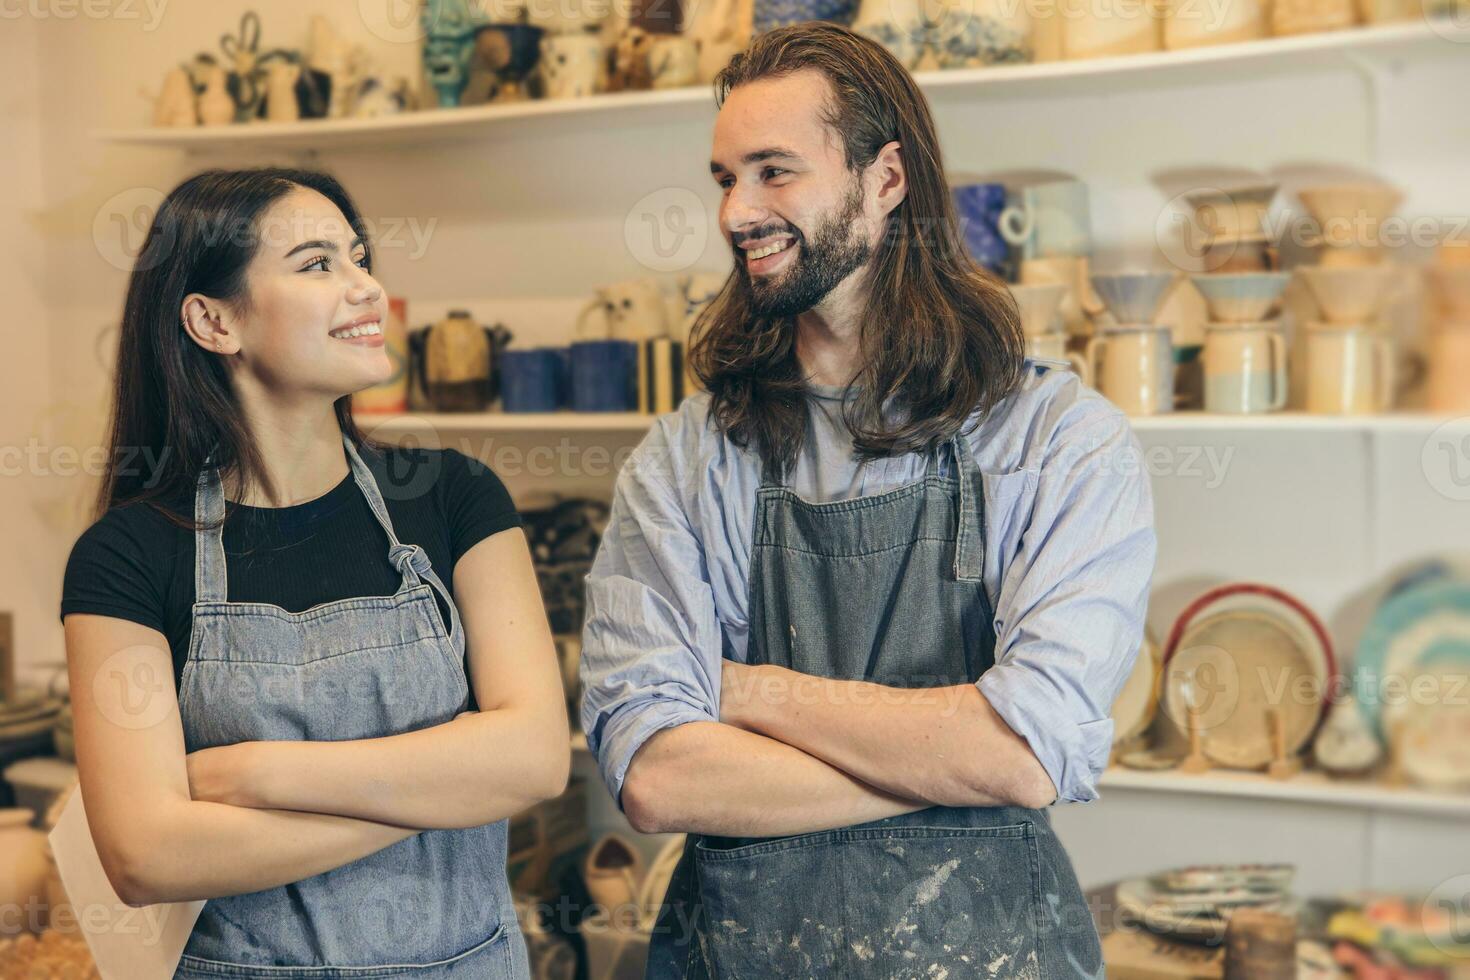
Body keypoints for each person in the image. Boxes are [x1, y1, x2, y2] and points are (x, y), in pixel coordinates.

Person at [579, 24, 1156, 979]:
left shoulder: (1056, 438)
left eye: (775, 172)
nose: (736, 212)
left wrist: (747, 691)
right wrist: (949, 759)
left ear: (886, 180)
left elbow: (1026, 752)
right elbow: (657, 774)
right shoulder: (687, 458)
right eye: (726, 177)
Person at [61, 167, 569, 978]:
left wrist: (258, 774)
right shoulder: (128, 555)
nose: (366, 288)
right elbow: (147, 855)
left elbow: (537, 758)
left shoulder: (455, 498)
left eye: (360, 258)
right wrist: (446, 792)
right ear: (213, 321)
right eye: (317, 263)